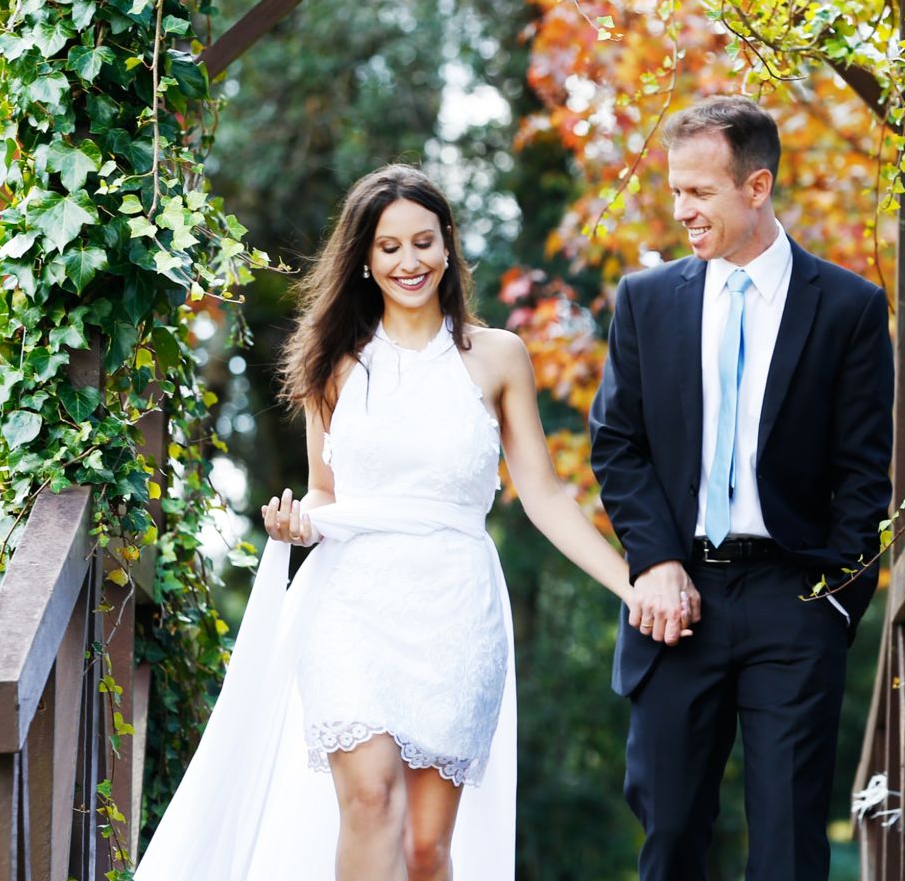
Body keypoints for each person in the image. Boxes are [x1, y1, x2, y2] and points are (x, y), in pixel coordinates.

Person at [136, 164, 648, 881]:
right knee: (370, 800)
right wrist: (297, 524)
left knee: (426, 851)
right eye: (389, 247)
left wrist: (632, 586)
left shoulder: (499, 356)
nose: (410, 262)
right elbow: (324, 492)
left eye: (423, 242)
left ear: (448, 247)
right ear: (366, 261)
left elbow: (545, 496)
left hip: (456, 605)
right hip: (352, 602)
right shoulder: (332, 362)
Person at [590, 95, 894, 881]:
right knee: (670, 835)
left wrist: (833, 605)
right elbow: (617, 445)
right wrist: (653, 561)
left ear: (757, 188)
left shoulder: (850, 308)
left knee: (791, 849)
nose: (682, 211)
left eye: (700, 192)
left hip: (794, 602)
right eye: (675, 192)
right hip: (674, 600)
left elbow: (865, 473)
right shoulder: (647, 301)